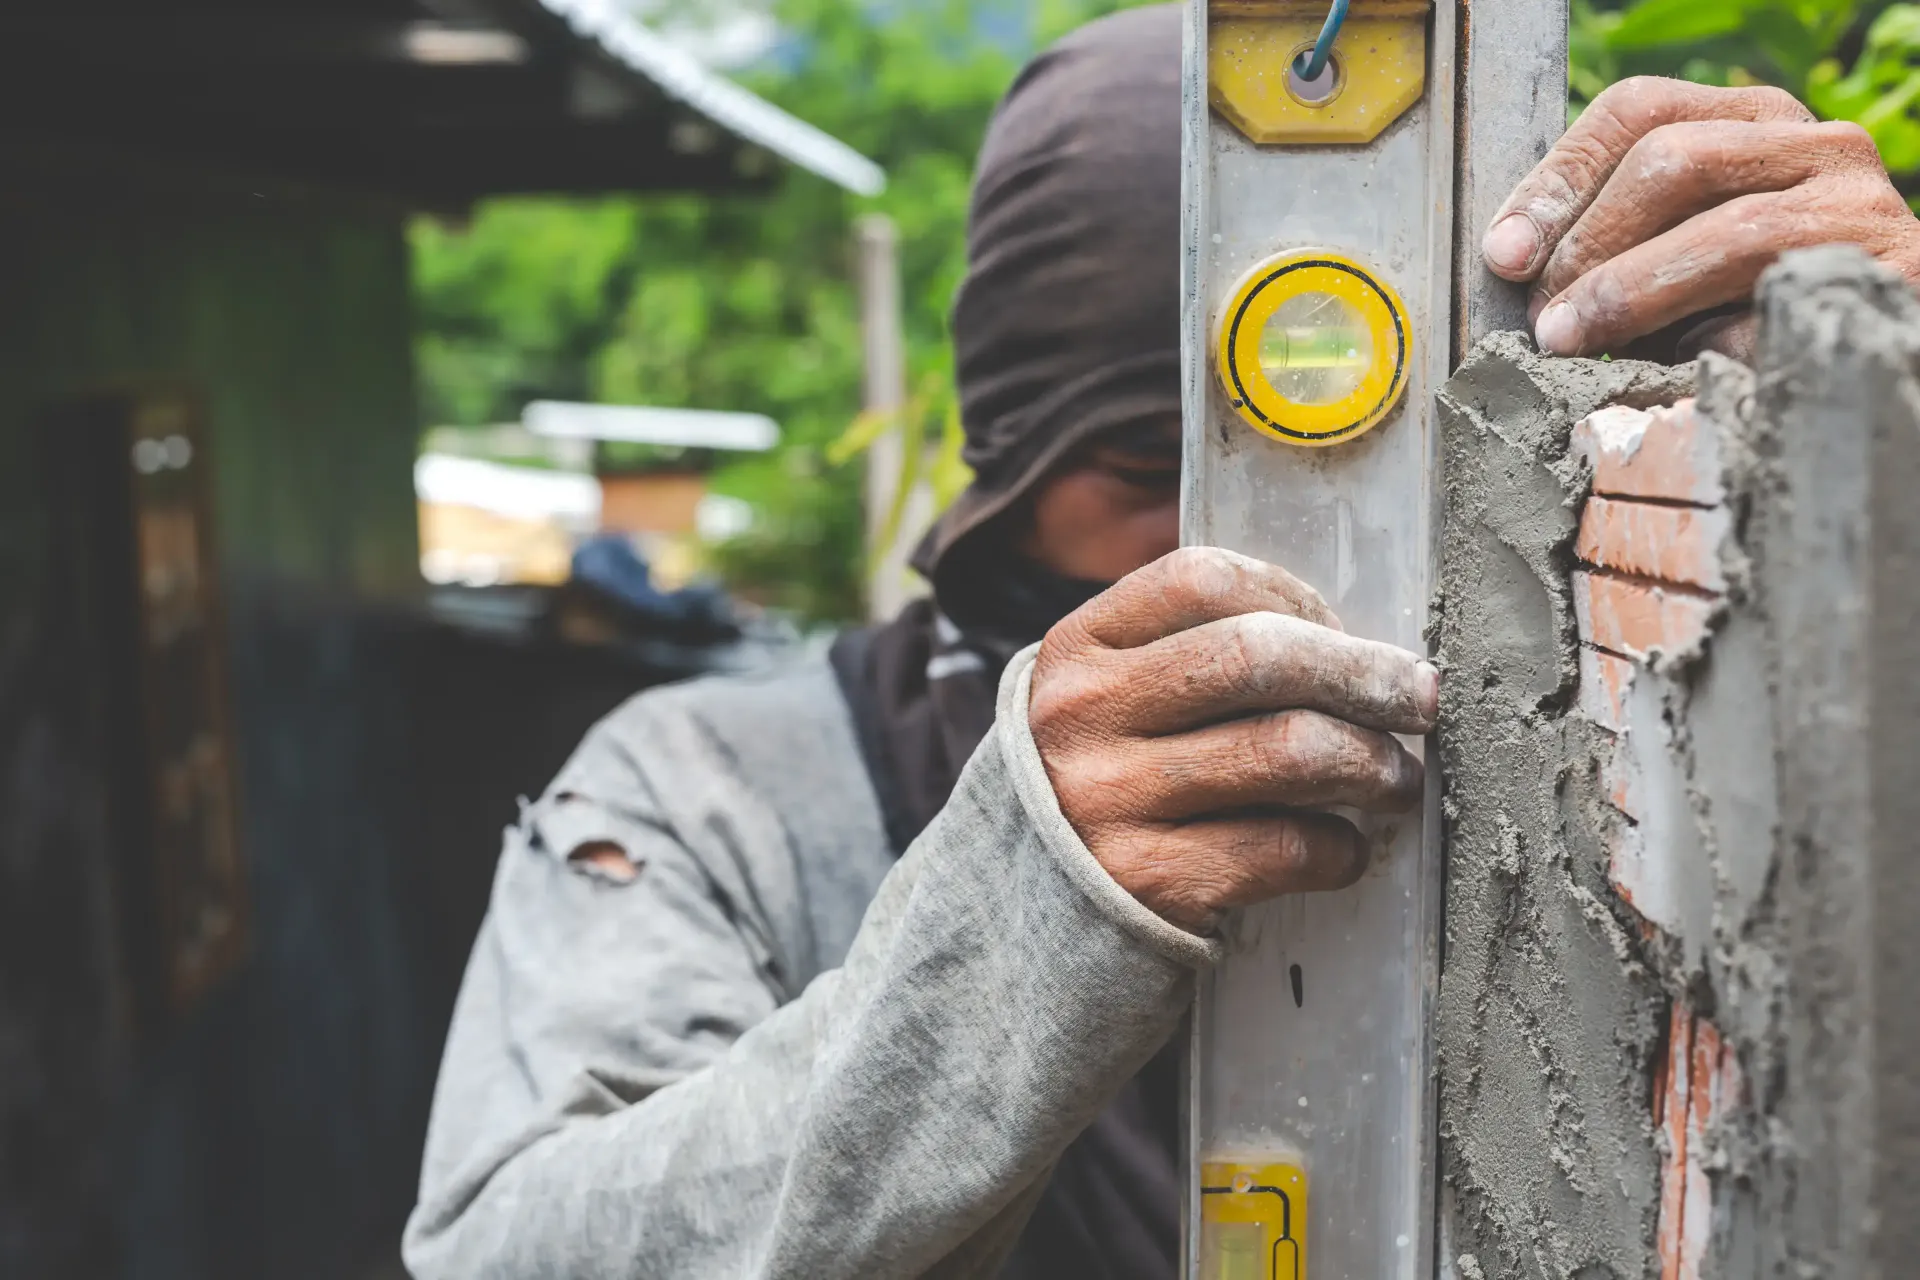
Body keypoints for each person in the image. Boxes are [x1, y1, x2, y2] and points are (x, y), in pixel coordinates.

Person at [402, 8, 1920, 1277]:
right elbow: (504, 1244)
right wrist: (1029, 907)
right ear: (1005, 467)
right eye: (1149, 468)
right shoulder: (717, 795)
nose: (1247, 561)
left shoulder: (1620, 712)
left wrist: (1871, 443)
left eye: (1366, 475)